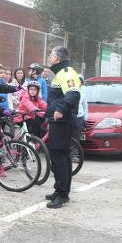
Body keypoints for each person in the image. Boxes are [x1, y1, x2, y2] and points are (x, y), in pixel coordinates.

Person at [45, 46, 80, 209]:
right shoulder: (60, 73)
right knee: (63, 156)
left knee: (58, 156)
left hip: (62, 121)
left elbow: (73, 94)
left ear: (58, 58)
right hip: (58, 120)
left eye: (51, 55)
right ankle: (61, 190)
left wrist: (60, 109)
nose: (50, 58)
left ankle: (62, 194)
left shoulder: (66, 73)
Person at [73, 74, 88, 141]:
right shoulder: (69, 90)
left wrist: (85, 119)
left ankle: (75, 151)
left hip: (79, 116)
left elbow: (85, 106)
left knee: (77, 136)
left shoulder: (82, 92)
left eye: (80, 81)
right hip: (70, 116)